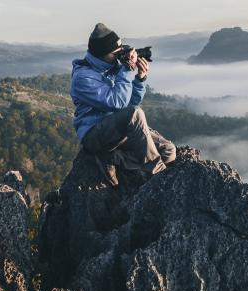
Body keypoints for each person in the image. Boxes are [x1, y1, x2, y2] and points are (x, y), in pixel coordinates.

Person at [70, 23, 176, 187]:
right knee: (135, 113)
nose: (120, 56)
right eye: (116, 53)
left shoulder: (113, 67)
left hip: (117, 131)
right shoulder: (83, 77)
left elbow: (129, 104)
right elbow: (118, 103)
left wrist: (140, 79)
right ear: (102, 54)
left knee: (168, 151)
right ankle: (157, 176)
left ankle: (114, 159)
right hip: (95, 134)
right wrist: (126, 70)